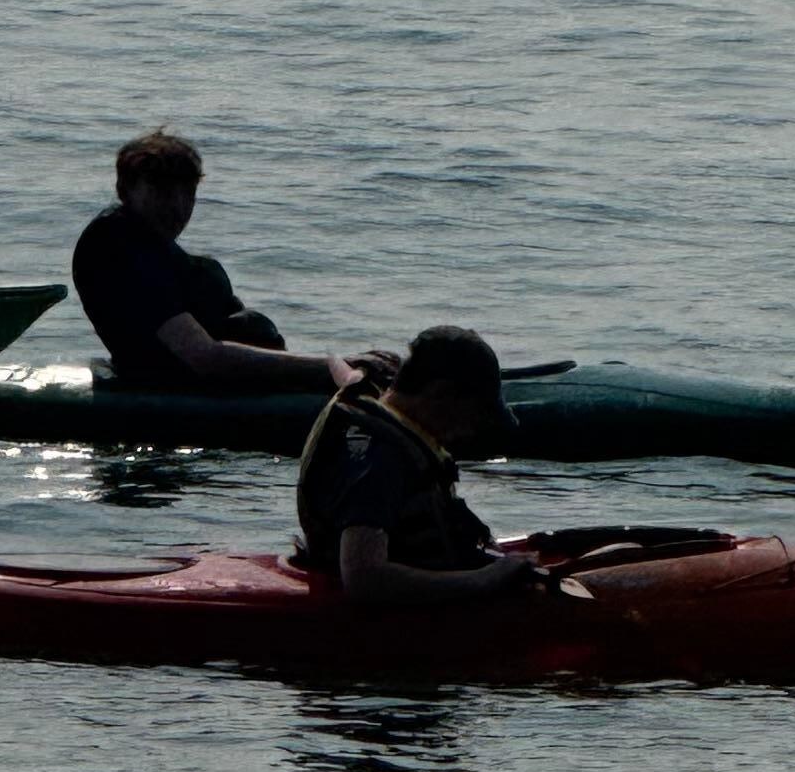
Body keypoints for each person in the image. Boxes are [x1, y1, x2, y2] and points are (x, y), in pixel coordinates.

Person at [70, 127, 357, 395]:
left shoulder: (152, 246)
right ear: (126, 190)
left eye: (188, 193)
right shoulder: (119, 247)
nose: (178, 206)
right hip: (175, 389)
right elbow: (203, 356)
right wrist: (333, 366)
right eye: (163, 192)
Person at [295, 325, 549, 606]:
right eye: (474, 415)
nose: (472, 430)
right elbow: (363, 578)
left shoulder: (378, 398)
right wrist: (487, 579)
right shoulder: (378, 462)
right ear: (440, 393)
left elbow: (348, 375)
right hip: (375, 618)